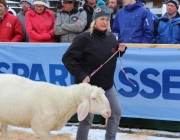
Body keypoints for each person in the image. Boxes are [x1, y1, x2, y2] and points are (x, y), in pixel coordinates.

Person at [62, 4, 127, 140]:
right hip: (88, 88)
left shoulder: (111, 38)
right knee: (86, 119)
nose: (104, 22)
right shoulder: (83, 38)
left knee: (116, 112)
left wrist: (121, 51)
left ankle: (110, 138)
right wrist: (81, 75)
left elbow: (110, 56)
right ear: (94, 20)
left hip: (107, 85)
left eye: (107, 19)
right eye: (101, 19)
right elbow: (67, 58)